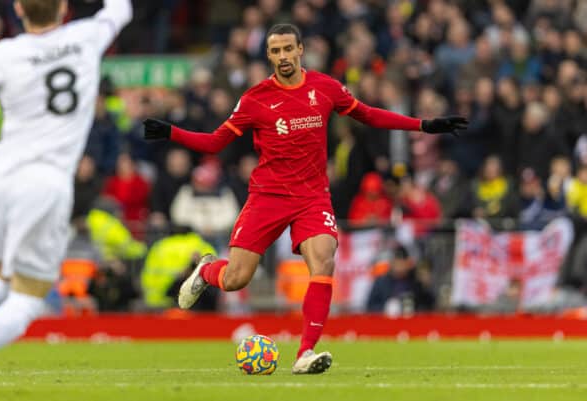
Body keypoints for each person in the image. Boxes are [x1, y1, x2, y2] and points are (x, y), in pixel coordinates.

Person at [143, 23, 468, 374]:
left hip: (312, 197)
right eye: (275, 51)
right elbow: (214, 142)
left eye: (288, 49)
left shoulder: (325, 87)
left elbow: (369, 114)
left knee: (324, 261)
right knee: (236, 278)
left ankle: (305, 353)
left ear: (300, 50)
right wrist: (171, 132)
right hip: (268, 196)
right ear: (268, 55)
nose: (282, 57)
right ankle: (206, 271)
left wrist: (424, 125)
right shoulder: (255, 99)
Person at [0, 0, 132, 354]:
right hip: (45, 182)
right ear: (64, 7)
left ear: (18, 9)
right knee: (27, 299)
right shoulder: (86, 37)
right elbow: (120, 10)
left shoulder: (3, 55)